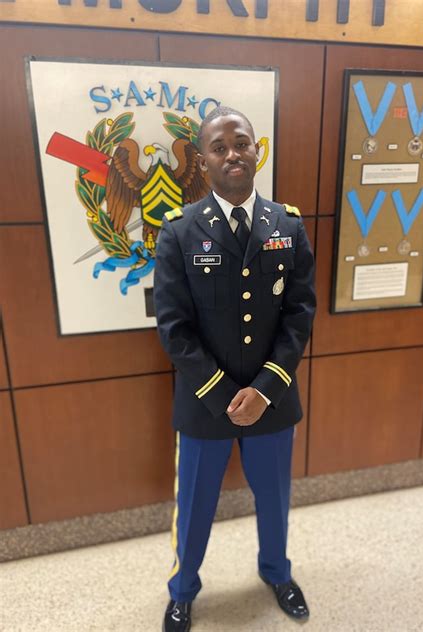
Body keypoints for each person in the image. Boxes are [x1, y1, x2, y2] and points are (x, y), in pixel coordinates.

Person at [153, 106, 316, 632]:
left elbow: (299, 314)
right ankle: (182, 591)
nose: (233, 155)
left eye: (241, 143)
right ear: (202, 161)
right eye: (219, 147)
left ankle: (277, 573)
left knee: (275, 501)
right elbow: (174, 328)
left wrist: (265, 388)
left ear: (256, 149)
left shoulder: (287, 225)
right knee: (194, 506)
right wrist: (224, 392)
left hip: (271, 401)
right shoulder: (179, 233)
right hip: (206, 403)